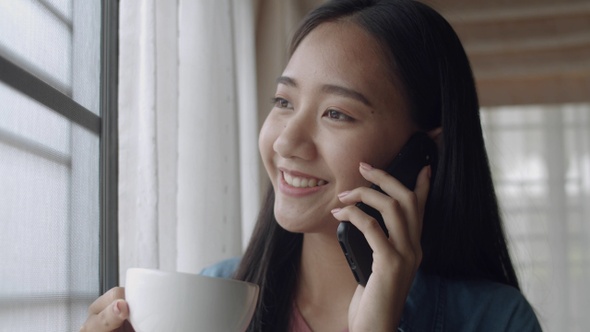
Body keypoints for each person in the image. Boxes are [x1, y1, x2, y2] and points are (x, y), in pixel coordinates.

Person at [81, 0, 543, 331]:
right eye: (283, 101)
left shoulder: (497, 320)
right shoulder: (213, 298)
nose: (287, 140)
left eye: (336, 114)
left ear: (423, 152)